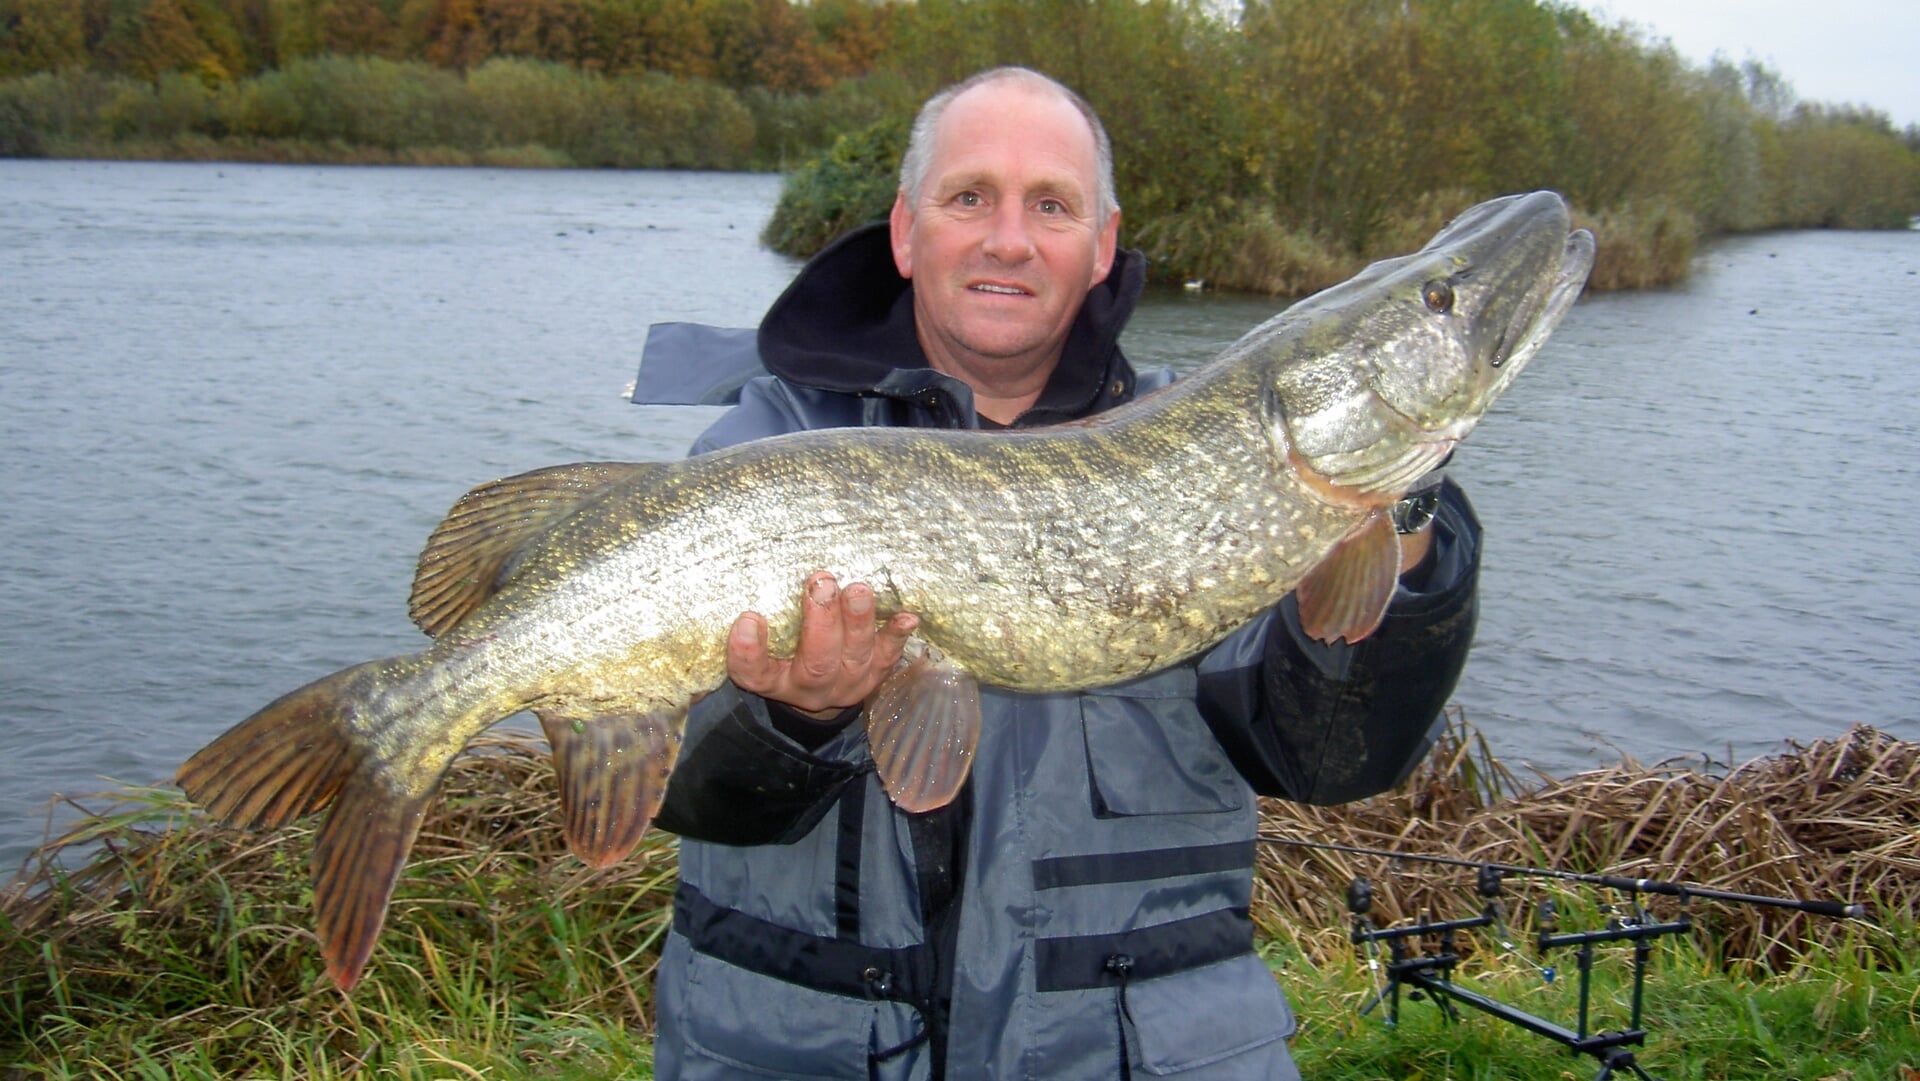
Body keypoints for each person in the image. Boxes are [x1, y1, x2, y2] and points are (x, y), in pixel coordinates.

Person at [638, 66, 1482, 1081]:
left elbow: (1334, 756)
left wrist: (1407, 504)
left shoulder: (1211, 453)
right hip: (801, 1049)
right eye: (969, 197)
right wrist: (793, 719)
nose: (1008, 238)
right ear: (907, 233)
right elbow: (681, 790)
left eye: (1051, 204)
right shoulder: (767, 443)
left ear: (1102, 246)